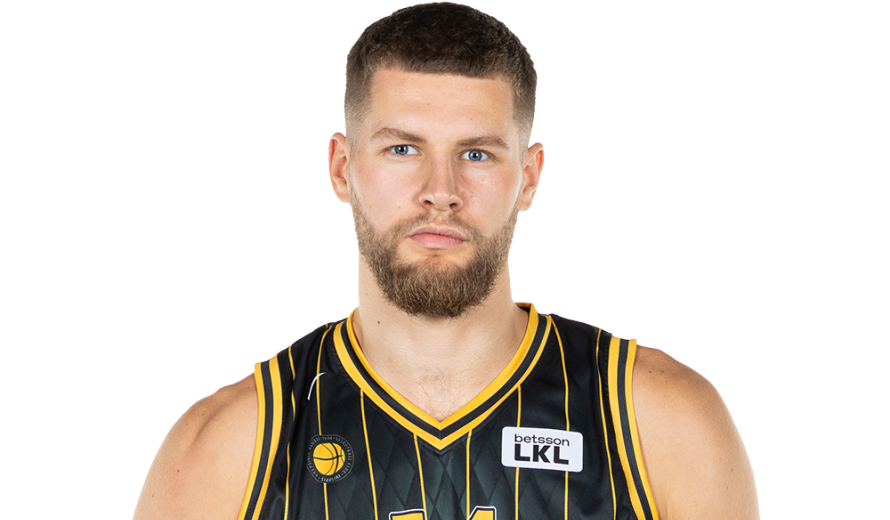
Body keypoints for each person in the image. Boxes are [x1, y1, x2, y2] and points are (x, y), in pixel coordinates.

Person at [133, 3, 759, 519]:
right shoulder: (227, 450)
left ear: (529, 177)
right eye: (403, 149)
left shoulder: (662, 424)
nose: (441, 190)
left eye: (477, 154)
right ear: (342, 168)